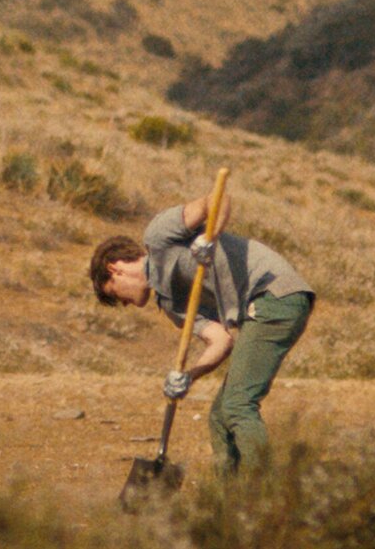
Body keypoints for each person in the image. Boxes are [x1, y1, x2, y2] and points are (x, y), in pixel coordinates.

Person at [88, 190, 313, 472]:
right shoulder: (171, 304)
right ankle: (227, 500)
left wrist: (210, 237)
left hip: (274, 293)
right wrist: (188, 376)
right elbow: (220, 341)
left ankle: (264, 492)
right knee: (220, 416)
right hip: (264, 307)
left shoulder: (158, 237)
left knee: (237, 406)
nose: (124, 303)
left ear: (115, 270)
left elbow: (217, 199)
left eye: (116, 296)